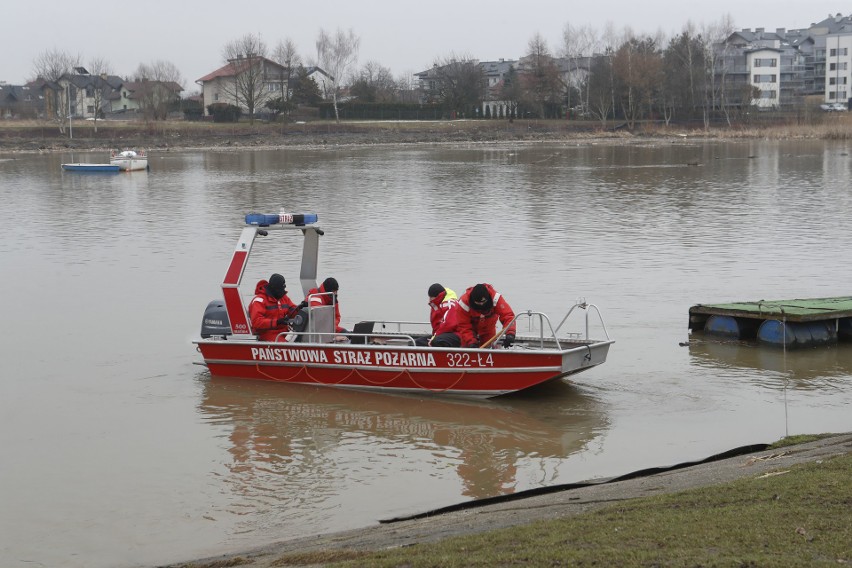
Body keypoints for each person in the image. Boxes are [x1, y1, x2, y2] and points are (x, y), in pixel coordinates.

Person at [454, 283, 516, 348]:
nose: (481, 304)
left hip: (488, 331)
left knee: (489, 347)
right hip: (469, 333)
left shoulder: (496, 299)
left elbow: (508, 316)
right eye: (478, 303)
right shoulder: (463, 303)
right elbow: (463, 325)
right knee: (467, 345)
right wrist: (471, 342)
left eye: (483, 302)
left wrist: (510, 333)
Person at [248, 273, 307, 342]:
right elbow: (257, 322)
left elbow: (292, 311)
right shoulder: (259, 301)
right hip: (267, 333)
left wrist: (301, 306)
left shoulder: (283, 298)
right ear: (273, 289)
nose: (283, 292)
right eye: (280, 289)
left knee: (303, 339)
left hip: (284, 331)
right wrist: (277, 322)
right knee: (286, 346)